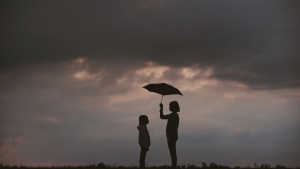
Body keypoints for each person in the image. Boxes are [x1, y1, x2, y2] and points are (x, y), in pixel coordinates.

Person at [159, 101, 180, 168]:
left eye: (170, 106)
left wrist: (171, 136)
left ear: (174, 107)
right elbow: (162, 117)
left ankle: (174, 166)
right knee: (172, 153)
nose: (169, 107)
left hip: (172, 136)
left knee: (173, 153)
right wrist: (161, 108)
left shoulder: (174, 115)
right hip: (171, 136)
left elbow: (174, 127)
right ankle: (173, 165)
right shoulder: (172, 115)